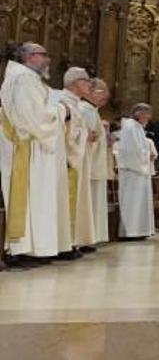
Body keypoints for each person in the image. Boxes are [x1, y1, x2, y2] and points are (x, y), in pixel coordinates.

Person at [0, 43, 67, 263]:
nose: (48, 59)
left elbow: (44, 107)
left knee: (34, 198)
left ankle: (33, 248)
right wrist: (61, 110)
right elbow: (34, 116)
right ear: (30, 57)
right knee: (27, 197)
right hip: (28, 145)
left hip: (33, 144)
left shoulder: (27, 78)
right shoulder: (23, 79)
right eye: (44, 55)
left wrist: (56, 108)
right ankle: (21, 249)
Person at [57, 67, 96, 252]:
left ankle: (72, 241)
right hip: (67, 160)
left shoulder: (75, 104)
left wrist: (86, 135)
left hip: (76, 158)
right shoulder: (63, 102)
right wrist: (84, 135)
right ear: (74, 83)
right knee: (67, 200)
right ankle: (65, 243)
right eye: (86, 80)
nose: (90, 84)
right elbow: (65, 133)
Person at [115, 103, 156, 239]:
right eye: (146, 114)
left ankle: (140, 231)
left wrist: (146, 155)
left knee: (140, 202)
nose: (149, 118)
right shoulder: (130, 127)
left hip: (140, 170)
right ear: (138, 114)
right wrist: (145, 155)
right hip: (132, 170)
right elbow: (131, 150)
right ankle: (131, 232)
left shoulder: (138, 128)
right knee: (132, 202)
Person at [81, 78, 111, 246]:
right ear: (90, 92)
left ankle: (90, 238)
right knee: (88, 204)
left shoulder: (93, 111)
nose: (106, 96)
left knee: (95, 203)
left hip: (96, 166)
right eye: (102, 91)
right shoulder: (85, 110)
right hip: (89, 167)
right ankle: (85, 239)